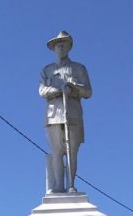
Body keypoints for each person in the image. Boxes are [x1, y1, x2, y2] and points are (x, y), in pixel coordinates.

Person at [39, 31, 92, 193]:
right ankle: (58, 186)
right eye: (57, 45)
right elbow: (42, 90)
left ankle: (71, 185)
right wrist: (57, 90)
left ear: (69, 47)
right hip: (54, 114)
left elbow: (88, 92)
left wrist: (73, 87)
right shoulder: (47, 70)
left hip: (73, 113)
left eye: (63, 44)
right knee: (56, 152)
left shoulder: (78, 68)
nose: (60, 48)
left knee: (72, 152)